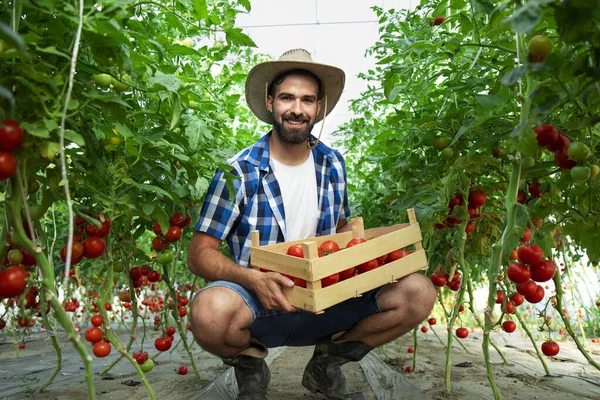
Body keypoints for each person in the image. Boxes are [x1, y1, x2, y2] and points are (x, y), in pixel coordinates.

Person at [187, 49, 437, 400]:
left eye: (307, 100)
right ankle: (250, 364)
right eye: (287, 97)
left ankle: (326, 363)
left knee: (419, 292)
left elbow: (339, 231)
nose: (297, 109)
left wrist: (376, 245)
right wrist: (252, 279)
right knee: (209, 312)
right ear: (271, 102)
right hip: (263, 304)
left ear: (319, 107)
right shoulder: (239, 171)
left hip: (329, 300)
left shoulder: (332, 164)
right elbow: (199, 254)